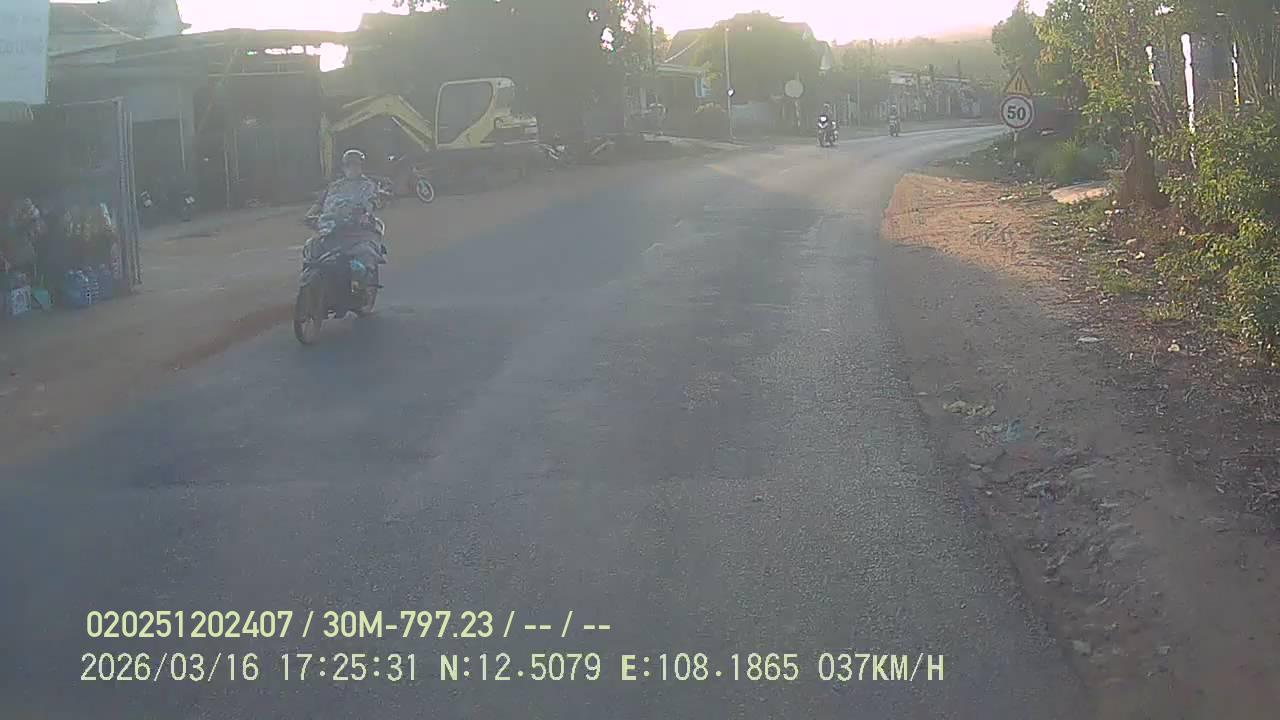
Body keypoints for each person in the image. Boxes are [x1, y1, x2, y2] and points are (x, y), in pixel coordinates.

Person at [305, 149, 385, 269]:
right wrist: (308, 216)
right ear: (343, 168)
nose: (352, 169)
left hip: (357, 229)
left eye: (356, 165)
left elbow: (372, 202)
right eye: (349, 165)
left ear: (361, 167)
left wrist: (365, 212)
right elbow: (319, 203)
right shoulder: (334, 186)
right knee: (312, 249)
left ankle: (363, 278)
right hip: (331, 227)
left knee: (365, 254)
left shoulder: (368, 185)